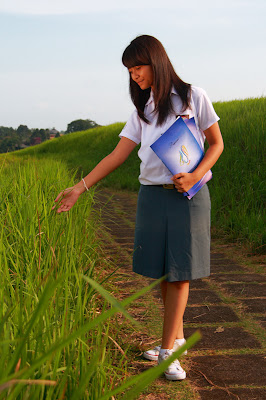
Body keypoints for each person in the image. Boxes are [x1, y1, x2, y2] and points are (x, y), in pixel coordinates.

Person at [53, 35, 224, 381]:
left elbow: (217, 144)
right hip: (151, 196)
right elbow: (117, 155)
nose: (134, 76)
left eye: (138, 67)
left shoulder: (194, 97)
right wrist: (79, 188)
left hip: (186, 197)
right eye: (129, 71)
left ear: (156, 61)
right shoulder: (142, 110)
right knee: (164, 271)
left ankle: (167, 352)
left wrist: (195, 176)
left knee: (180, 274)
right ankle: (174, 339)